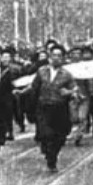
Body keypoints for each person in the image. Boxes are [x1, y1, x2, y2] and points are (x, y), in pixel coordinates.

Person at [30, 44, 78, 172]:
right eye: (53, 55)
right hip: (43, 107)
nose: (56, 58)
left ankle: (52, 157)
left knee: (59, 136)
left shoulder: (67, 75)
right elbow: (34, 88)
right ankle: (48, 153)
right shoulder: (41, 71)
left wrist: (68, 92)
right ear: (49, 57)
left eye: (59, 56)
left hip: (59, 108)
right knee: (46, 133)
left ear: (63, 58)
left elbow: (75, 90)